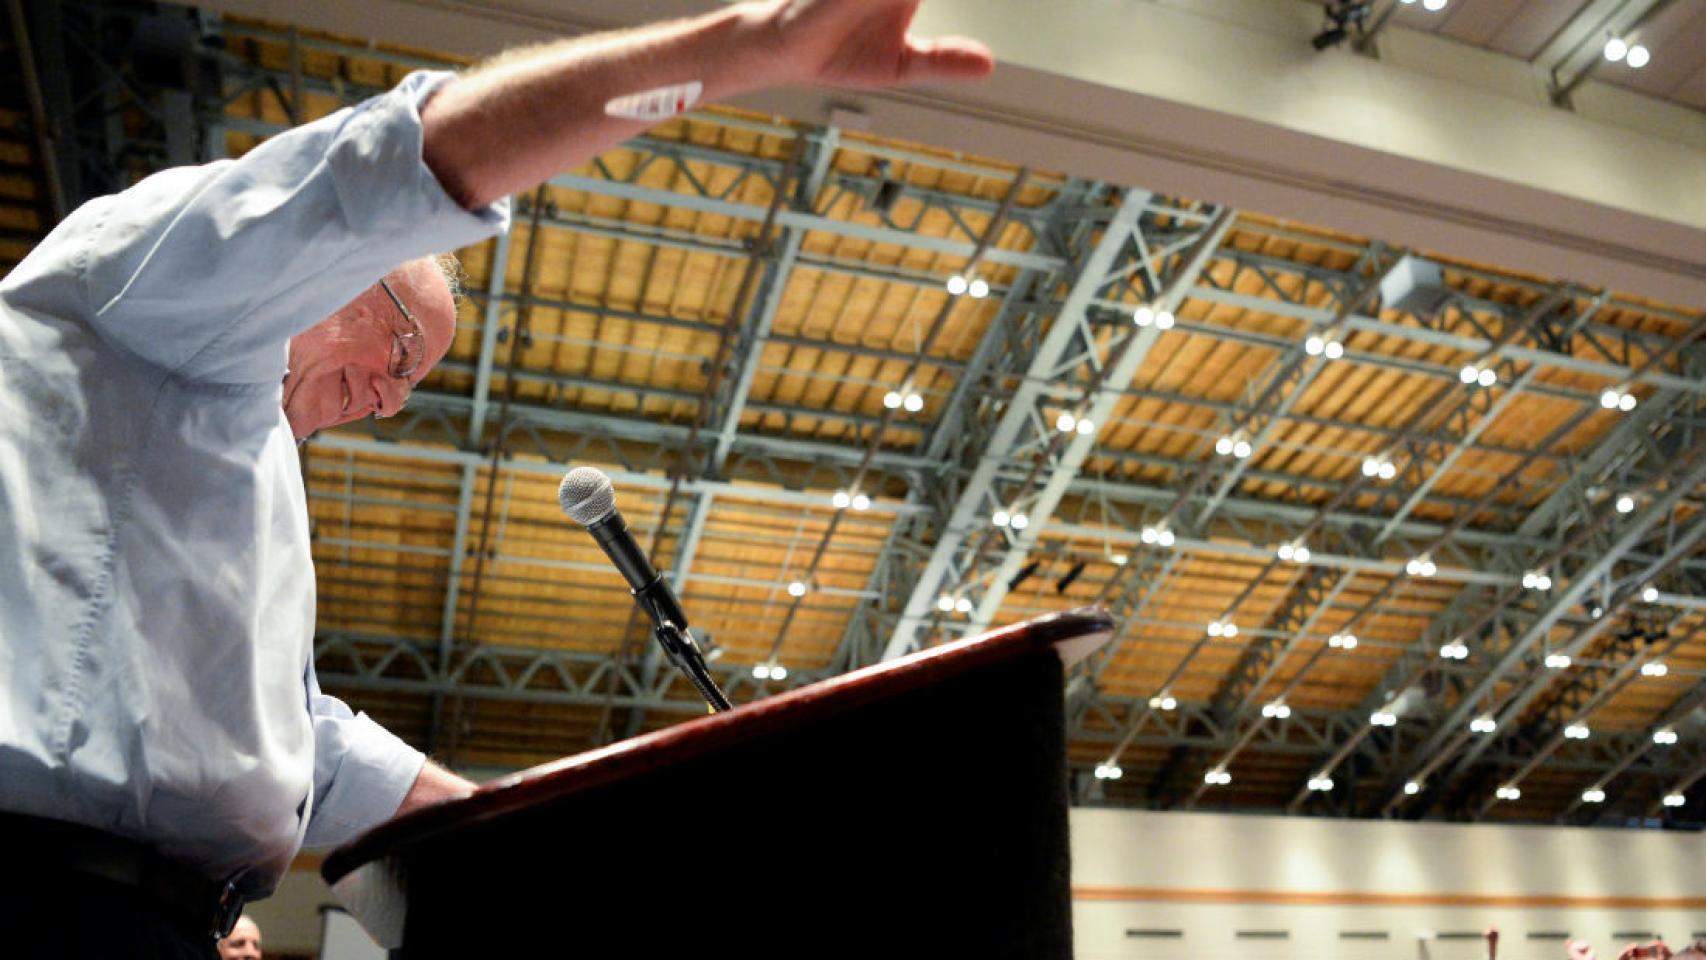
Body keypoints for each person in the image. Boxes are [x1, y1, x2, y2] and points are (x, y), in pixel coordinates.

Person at [0, 0, 991, 954]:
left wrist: (527, 825)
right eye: (399, 352)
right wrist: (749, 49)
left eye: (410, 382)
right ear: (334, 276)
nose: (390, 403)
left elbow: (301, 749)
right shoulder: (153, 279)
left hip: (153, 917)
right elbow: (395, 169)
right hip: (56, 899)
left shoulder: (229, 464)